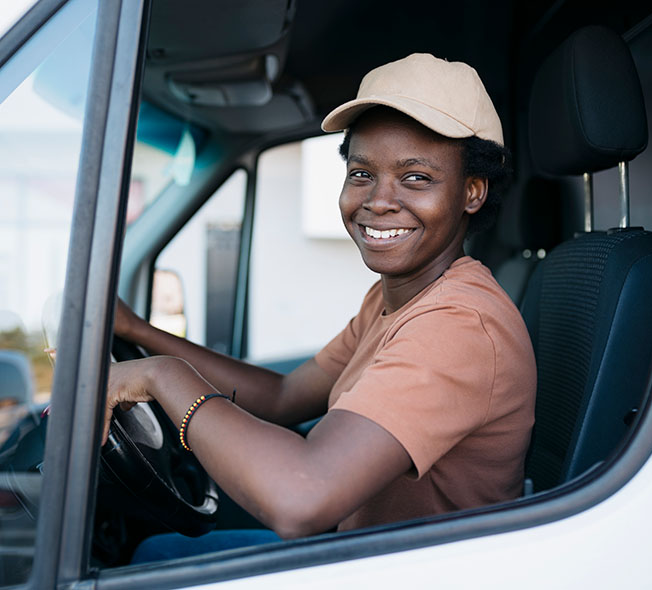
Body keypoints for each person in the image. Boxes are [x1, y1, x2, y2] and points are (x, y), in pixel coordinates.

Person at [105, 53, 536, 561]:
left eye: (416, 177)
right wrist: (140, 332)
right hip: (361, 550)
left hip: (406, 571)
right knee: (155, 552)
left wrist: (162, 378)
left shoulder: (459, 324)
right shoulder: (396, 294)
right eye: (361, 173)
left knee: (147, 562)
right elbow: (286, 396)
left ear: (472, 192)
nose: (378, 200)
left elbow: (301, 498)